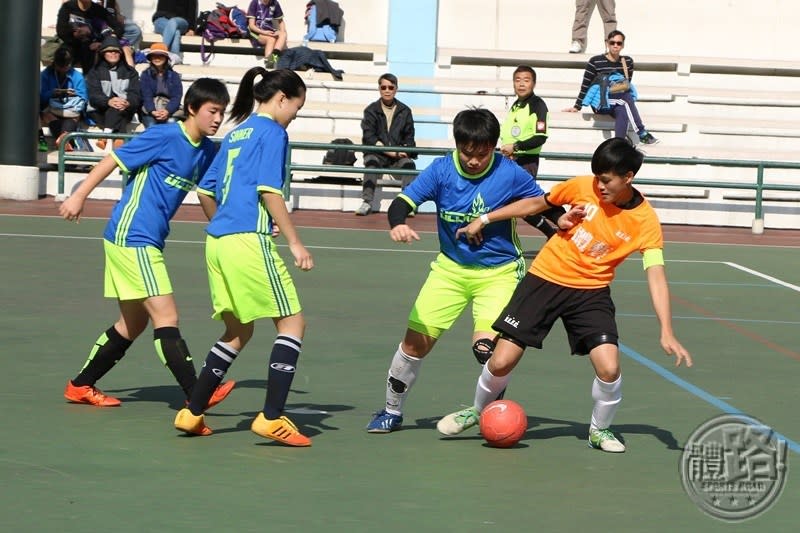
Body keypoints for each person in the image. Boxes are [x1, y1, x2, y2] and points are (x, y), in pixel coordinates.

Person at [436, 137, 692, 453]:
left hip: (590, 292)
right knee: (501, 361)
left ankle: (600, 430)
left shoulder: (646, 221)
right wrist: (485, 218)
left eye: (607, 180)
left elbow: (656, 274)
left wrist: (666, 330)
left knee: (609, 367)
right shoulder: (582, 187)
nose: (600, 186)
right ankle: (476, 411)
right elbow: (534, 204)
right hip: (545, 278)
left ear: (629, 177)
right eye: (597, 177)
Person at [364, 108, 547, 434]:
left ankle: (488, 412)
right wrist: (398, 223)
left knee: (487, 351)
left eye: (482, 153)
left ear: (494, 146)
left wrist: (560, 232)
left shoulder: (510, 173)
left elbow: (539, 209)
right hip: (449, 270)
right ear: (457, 144)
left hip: (499, 272)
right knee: (414, 345)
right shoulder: (441, 170)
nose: (474, 160)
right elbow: (403, 202)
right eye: (467, 152)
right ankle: (391, 411)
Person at [58, 78, 235, 409]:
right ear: (193, 109)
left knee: (133, 323)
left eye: (222, 113)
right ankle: (198, 393)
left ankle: (80, 386)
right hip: (132, 236)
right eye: (212, 111)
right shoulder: (164, 136)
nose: (217, 119)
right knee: (166, 316)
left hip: (147, 239)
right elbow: (114, 160)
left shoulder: (208, 152)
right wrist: (79, 194)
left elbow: (216, 192)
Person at [173, 68, 315, 447]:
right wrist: (295, 242)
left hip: (217, 243)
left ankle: (192, 411)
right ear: (282, 98)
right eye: (296, 107)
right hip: (247, 243)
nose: (295, 115)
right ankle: (271, 418)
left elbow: (205, 190)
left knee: (238, 331)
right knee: (293, 324)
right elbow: (271, 191)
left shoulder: (236, 133)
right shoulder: (273, 132)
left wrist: (224, 223)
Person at [499, 65, 564, 237]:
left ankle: (561, 222)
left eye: (526, 80)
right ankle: (555, 231)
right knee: (523, 203)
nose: (521, 84)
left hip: (526, 161)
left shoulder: (537, 105)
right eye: (517, 80)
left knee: (524, 203)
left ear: (533, 84)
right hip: (511, 161)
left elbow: (540, 137)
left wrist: (516, 147)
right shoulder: (516, 105)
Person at [564, 30, 659, 145]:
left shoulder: (627, 62)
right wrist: (577, 106)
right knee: (625, 99)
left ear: (623, 45)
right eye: (612, 42)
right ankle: (642, 132)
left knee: (623, 108)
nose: (615, 45)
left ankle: (618, 144)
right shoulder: (595, 61)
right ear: (607, 44)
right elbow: (586, 84)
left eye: (619, 43)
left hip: (619, 99)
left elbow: (626, 84)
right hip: (600, 102)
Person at [355, 73, 417, 216]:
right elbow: (369, 137)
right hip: (377, 155)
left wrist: (406, 150)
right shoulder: (371, 110)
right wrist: (392, 152)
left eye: (390, 87)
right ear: (379, 89)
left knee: (409, 164)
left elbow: (410, 138)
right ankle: (367, 202)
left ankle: (407, 203)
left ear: (396, 89)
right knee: (370, 162)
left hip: (397, 158)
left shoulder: (405, 111)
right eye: (384, 87)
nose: (387, 90)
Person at [85, 36, 142, 151]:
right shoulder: (95, 72)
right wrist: (108, 101)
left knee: (118, 108)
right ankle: (119, 143)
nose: (113, 54)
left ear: (121, 54)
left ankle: (104, 137)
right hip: (99, 110)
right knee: (116, 110)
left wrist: (127, 102)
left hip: (124, 108)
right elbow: (94, 96)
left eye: (116, 51)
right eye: (109, 51)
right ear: (103, 54)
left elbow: (135, 94)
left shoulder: (130, 72)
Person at [40, 46, 89, 152]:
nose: (63, 69)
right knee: (46, 114)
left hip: (71, 110)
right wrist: (52, 93)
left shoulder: (77, 76)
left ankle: (63, 140)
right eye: (60, 66)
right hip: (51, 108)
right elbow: (41, 96)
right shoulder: (46, 75)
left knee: (75, 116)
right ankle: (64, 141)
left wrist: (73, 94)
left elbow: (83, 97)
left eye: (66, 66)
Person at [57, 0, 123, 71]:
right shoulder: (67, 7)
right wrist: (75, 35)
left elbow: (118, 28)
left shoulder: (98, 10)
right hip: (72, 42)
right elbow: (61, 31)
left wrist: (103, 43)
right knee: (62, 55)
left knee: (91, 55)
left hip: (91, 45)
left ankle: (88, 80)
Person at [139, 43, 183, 128]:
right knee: (151, 125)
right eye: (154, 56)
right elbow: (146, 96)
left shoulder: (174, 76)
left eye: (160, 56)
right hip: (151, 108)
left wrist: (167, 111)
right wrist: (152, 111)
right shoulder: (145, 75)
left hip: (169, 107)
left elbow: (176, 96)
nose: (157, 58)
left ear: (166, 58)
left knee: (171, 123)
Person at [247, 0, 288, 69]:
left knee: (283, 34)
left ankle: (272, 59)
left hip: (269, 30)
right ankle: (268, 62)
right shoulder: (254, 2)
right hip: (256, 32)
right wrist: (264, 32)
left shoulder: (275, 3)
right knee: (271, 39)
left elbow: (280, 21)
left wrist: (281, 31)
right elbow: (251, 26)